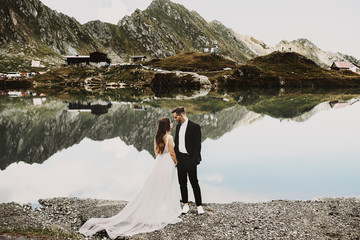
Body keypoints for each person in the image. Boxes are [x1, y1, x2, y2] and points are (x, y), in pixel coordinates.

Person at [79, 118, 182, 239]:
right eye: (170, 122)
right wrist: (176, 162)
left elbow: (156, 152)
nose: (171, 123)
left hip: (159, 162)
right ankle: (165, 208)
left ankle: (159, 207)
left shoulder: (158, 137)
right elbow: (172, 152)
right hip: (166, 163)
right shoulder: (169, 138)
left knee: (156, 186)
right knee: (166, 186)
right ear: (166, 126)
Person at [172, 107, 204, 215]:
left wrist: (194, 160)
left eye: (176, 117)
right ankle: (185, 204)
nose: (175, 119)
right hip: (180, 159)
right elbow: (176, 143)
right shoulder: (178, 127)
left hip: (190, 159)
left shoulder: (195, 127)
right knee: (182, 183)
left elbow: (198, 145)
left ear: (181, 115)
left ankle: (199, 205)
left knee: (194, 182)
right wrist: (175, 157)